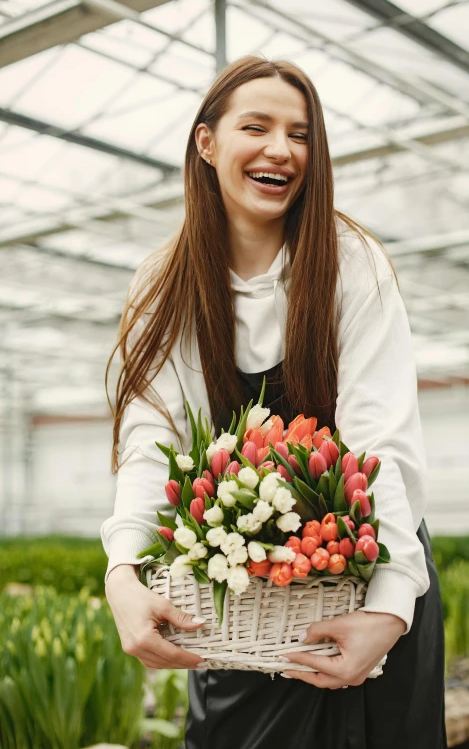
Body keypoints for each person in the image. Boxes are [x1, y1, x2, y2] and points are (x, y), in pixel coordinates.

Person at [101, 56, 447, 749]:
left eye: (301, 134)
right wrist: (123, 572)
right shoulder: (165, 283)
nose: (281, 150)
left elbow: (381, 446)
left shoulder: (351, 260)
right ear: (207, 144)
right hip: (241, 608)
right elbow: (153, 439)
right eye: (256, 127)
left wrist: (386, 610)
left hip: (369, 581)